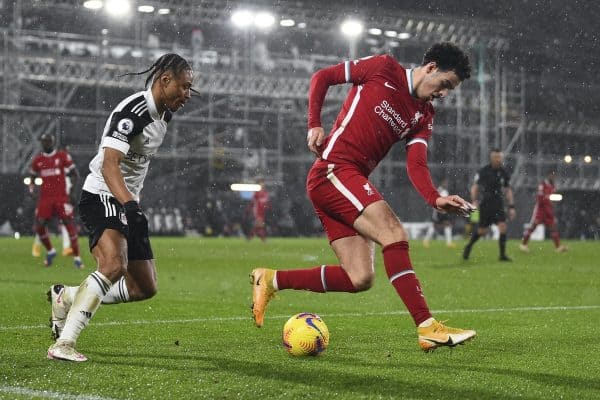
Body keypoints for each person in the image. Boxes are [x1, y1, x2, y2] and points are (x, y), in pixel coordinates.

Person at [250, 42, 477, 352]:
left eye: (450, 90)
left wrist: (435, 198)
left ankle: (271, 280)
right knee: (393, 232)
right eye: (445, 84)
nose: (444, 93)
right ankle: (427, 327)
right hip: (333, 171)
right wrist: (314, 124)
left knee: (360, 278)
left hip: (344, 181)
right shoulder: (383, 68)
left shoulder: (423, 114)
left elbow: (417, 163)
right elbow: (322, 77)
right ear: (431, 68)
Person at [47, 53, 196, 362]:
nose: (186, 95)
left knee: (144, 287)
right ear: (164, 80)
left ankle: (66, 297)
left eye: (189, 89)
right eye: (183, 87)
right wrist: (128, 204)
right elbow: (110, 165)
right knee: (113, 266)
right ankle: (64, 343)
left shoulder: (164, 114)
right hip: (103, 195)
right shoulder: (133, 112)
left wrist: (132, 204)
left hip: (129, 202)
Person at [28, 133, 83, 268]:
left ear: (53, 142)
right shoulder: (38, 160)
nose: (47, 143)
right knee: (39, 226)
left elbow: (76, 175)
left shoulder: (62, 156)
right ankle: (51, 251)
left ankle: (77, 258)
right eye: (44, 141)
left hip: (61, 197)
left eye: (49, 141)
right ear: (42, 143)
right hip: (45, 199)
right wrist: (32, 189)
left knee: (68, 224)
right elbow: (32, 176)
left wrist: (71, 192)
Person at [462, 148, 516, 261]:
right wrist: (474, 200)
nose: (499, 160)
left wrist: (511, 206)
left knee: (503, 227)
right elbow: (475, 187)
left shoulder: (503, 172)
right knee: (482, 231)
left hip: (498, 204)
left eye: (500, 157)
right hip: (486, 204)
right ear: (491, 158)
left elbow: (507, 189)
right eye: (496, 157)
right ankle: (469, 246)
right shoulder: (484, 171)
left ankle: (502, 255)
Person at [520, 171, 567, 253]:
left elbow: (551, 198)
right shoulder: (543, 185)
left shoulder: (552, 186)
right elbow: (540, 198)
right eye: (552, 175)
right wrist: (548, 198)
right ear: (548, 176)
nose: (553, 177)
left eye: (554, 176)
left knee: (553, 228)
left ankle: (558, 247)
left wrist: (551, 201)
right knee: (532, 227)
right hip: (540, 211)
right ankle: (523, 245)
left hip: (548, 210)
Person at [422, 177, 455, 248]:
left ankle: (448, 243)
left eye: (447, 182)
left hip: (443, 210)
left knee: (446, 225)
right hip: (439, 211)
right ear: (442, 182)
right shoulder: (440, 190)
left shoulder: (443, 190)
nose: (447, 184)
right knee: (437, 225)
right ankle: (426, 240)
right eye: (445, 182)